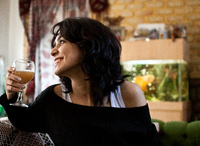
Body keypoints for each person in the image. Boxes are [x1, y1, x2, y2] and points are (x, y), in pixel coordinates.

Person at [1, 17, 163, 145]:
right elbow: (23, 121)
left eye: (62, 42)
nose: (52, 51)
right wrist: (12, 93)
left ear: (89, 44)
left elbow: (149, 142)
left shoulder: (127, 94)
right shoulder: (53, 98)